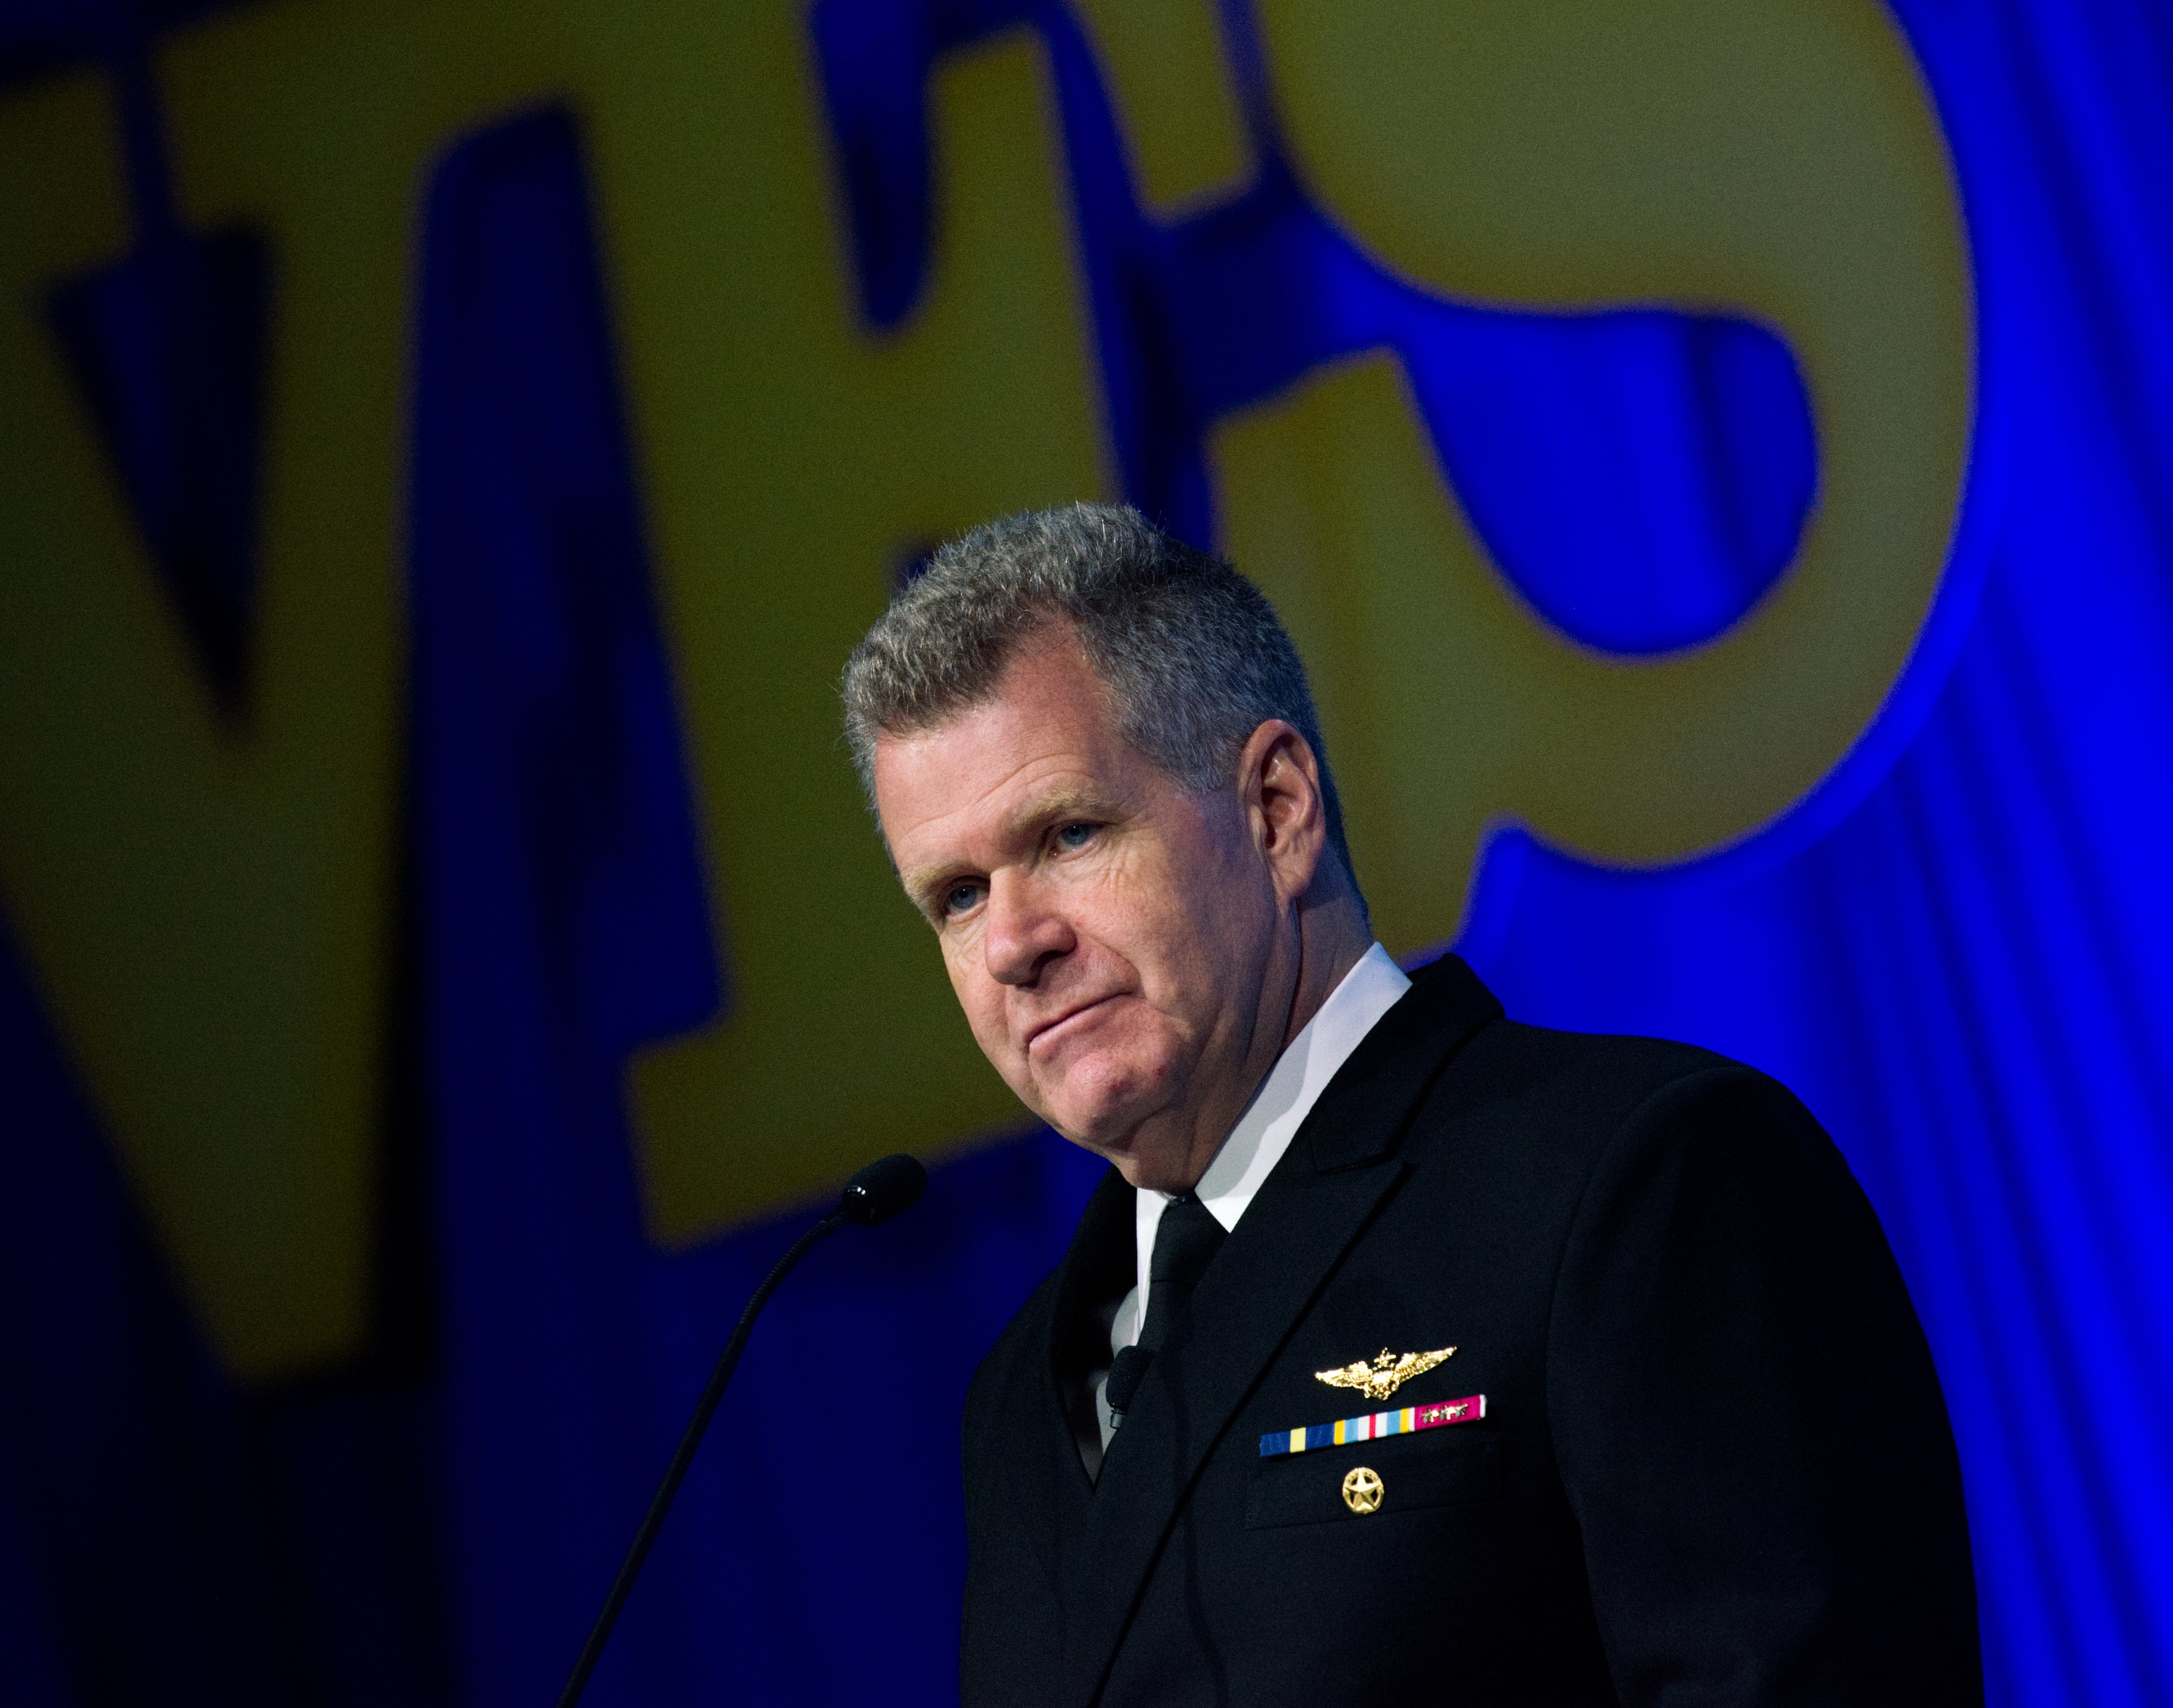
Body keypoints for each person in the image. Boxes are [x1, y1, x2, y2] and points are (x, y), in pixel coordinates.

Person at [841, 503, 1979, 1706]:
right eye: (957, 896)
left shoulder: (1637, 1179)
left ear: (1276, 808)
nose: (1013, 940)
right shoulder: (1020, 1395)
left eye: (1070, 833)